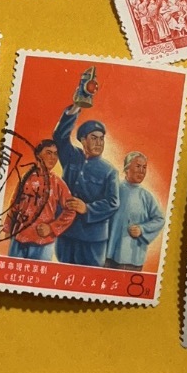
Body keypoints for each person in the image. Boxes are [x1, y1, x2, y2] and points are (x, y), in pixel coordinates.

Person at [52, 107, 120, 267]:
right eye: (93, 138)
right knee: (63, 272)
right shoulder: (71, 157)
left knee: (90, 274)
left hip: (92, 239)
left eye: (101, 139)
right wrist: (75, 108)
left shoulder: (110, 171)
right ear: (83, 141)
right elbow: (59, 136)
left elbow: (113, 202)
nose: (98, 143)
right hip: (66, 232)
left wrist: (87, 208)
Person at [7, 141, 75, 261]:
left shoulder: (57, 182)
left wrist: (51, 228)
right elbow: (14, 204)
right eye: (48, 153)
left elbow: (71, 209)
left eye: (55, 154)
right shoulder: (26, 178)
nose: (53, 157)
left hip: (43, 243)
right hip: (19, 239)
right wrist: (8, 229)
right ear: (38, 155)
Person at [106, 153, 165, 271]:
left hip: (133, 259)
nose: (142, 171)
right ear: (127, 168)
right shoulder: (114, 189)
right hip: (108, 256)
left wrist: (142, 229)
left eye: (144, 167)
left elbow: (160, 220)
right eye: (138, 166)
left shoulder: (146, 196)